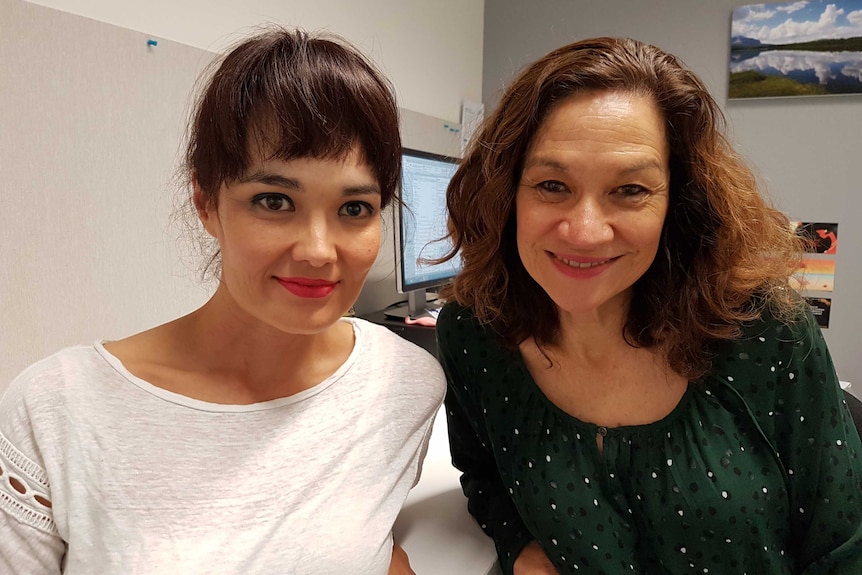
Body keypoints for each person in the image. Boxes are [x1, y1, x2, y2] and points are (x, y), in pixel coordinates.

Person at [0, 28, 445, 574]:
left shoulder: (407, 385)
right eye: (274, 200)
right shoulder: (58, 409)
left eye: (354, 208)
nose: (317, 251)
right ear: (206, 203)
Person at [436, 37, 862, 575]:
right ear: (506, 194)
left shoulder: (763, 327)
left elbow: (844, 545)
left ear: (678, 201)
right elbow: (482, 476)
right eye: (551, 185)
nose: (585, 231)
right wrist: (519, 546)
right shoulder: (475, 333)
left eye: (630, 190)